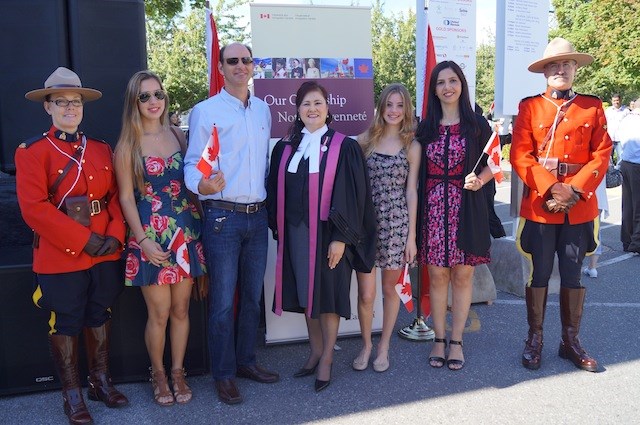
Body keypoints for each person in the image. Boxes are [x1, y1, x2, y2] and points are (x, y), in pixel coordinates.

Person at [15, 67, 129, 424]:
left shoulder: (100, 148)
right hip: (61, 253)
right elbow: (35, 210)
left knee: (99, 314)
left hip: (104, 250)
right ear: (47, 107)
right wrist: (84, 240)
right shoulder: (32, 152)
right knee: (65, 322)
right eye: (61, 102)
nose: (69, 108)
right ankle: (72, 395)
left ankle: (100, 381)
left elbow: (114, 197)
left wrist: (114, 235)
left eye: (75, 102)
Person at [183, 42, 279, 405]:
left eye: (247, 60)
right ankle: (223, 374)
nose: (241, 66)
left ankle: (246, 362)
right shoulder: (205, 111)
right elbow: (192, 164)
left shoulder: (263, 111)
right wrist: (201, 184)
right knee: (223, 302)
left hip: (258, 216)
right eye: (233, 61)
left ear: (254, 66)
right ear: (221, 67)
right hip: (222, 216)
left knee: (252, 299)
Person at [266, 81, 375, 392]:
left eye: (317, 103)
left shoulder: (345, 147)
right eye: (305, 104)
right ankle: (314, 350)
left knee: (327, 297)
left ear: (328, 108)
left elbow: (353, 196)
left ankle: (327, 357)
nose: (311, 109)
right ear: (298, 111)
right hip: (297, 235)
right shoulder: (285, 148)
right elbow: (275, 190)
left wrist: (341, 237)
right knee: (305, 294)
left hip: (330, 238)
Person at [510, 38, 611, 372]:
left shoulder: (592, 106)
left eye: (567, 64)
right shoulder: (530, 107)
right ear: (545, 72)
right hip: (541, 204)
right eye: (554, 65)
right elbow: (520, 154)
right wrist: (552, 187)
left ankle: (570, 341)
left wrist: (574, 189)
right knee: (538, 272)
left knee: (572, 273)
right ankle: (534, 339)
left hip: (578, 206)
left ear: (575, 69)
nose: (560, 70)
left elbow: (602, 154)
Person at [114, 71, 207, 406]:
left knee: (182, 309)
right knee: (160, 312)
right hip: (150, 238)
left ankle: (178, 371)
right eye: (145, 96)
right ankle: (159, 374)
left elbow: (193, 185)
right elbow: (125, 198)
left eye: (158, 94)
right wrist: (142, 241)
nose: (154, 102)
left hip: (185, 233)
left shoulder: (179, 136)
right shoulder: (127, 144)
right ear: (134, 103)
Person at [416, 61, 494, 371]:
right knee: (437, 276)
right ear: (433, 90)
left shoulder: (477, 125)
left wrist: (481, 180)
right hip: (433, 210)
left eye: (453, 80)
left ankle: (457, 341)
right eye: (441, 82)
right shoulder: (425, 128)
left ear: (461, 84)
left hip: (467, 209)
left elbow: (494, 164)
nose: (447, 87)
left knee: (463, 276)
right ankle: (438, 339)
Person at [353, 83, 419, 373]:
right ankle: (366, 344)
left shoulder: (412, 146)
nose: (394, 111)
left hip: (396, 224)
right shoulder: (365, 139)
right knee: (366, 295)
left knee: (390, 291)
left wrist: (412, 237)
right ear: (381, 108)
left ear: (406, 110)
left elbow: (411, 192)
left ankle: (384, 346)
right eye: (389, 105)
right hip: (366, 226)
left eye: (399, 105)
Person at [616, 97, 640, 253]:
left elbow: (617, 139)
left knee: (628, 205)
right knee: (638, 206)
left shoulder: (625, 120)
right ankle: (637, 243)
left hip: (625, 162)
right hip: (637, 164)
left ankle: (627, 240)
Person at [583, 178, 609, 277]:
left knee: (576, 230)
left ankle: (575, 266)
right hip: (598, 194)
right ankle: (592, 267)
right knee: (595, 231)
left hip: (581, 193)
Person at [604, 93, 629, 165]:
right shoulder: (608, 111)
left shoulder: (626, 111)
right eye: (614, 101)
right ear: (611, 101)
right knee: (608, 157)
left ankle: (619, 173)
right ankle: (611, 173)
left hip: (621, 138)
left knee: (620, 157)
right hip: (610, 137)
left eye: (617, 100)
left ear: (620, 100)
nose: (616, 102)